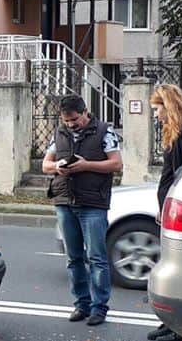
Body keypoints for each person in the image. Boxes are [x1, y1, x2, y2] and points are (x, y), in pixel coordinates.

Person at [42, 95, 123, 326]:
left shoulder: (104, 131)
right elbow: (45, 165)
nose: (70, 124)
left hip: (93, 203)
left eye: (74, 120)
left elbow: (116, 164)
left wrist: (86, 165)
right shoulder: (60, 133)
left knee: (96, 258)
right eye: (66, 120)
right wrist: (57, 166)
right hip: (65, 201)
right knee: (73, 258)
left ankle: (99, 308)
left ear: (85, 112)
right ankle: (81, 304)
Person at [145, 84, 182, 341]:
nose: (155, 115)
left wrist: (173, 206)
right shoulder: (174, 131)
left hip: (181, 213)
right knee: (173, 269)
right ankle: (170, 323)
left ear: (168, 106)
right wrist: (163, 206)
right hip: (171, 210)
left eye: (157, 109)